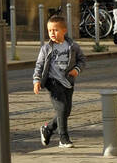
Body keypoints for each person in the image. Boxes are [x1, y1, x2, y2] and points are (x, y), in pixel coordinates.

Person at [33, 14, 86, 148]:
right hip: (53, 82)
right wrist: (37, 80)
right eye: (50, 30)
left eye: (55, 30)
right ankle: (63, 138)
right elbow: (39, 65)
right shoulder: (46, 48)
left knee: (66, 111)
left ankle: (48, 128)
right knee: (61, 108)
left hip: (68, 82)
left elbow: (82, 60)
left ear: (64, 31)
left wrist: (76, 70)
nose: (52, 33)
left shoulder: (73, 46)